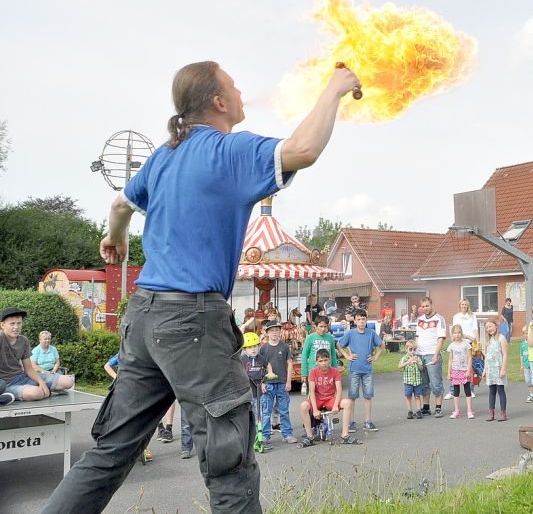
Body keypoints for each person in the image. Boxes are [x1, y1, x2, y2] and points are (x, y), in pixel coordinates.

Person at [43, 60, 359, 514]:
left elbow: (119, 205)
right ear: (218, 101)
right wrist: (335, 89)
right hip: (193, 320)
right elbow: (304, 149)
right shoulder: (228, 151)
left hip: (144, 316)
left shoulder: (164, 154)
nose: (241, 89)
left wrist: (115, 238)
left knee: (110, 452)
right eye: (233, 84)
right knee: (230, 467)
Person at [1, 308, 74, 402]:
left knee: (69, 381)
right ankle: (5, 395)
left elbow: (29, 368)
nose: (16, 327)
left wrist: (41, 382)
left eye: (19, 323)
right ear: (2, 325)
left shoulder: (24, 341)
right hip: (5, 384)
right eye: (12, 324)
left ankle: (42, 390)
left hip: (22, 377)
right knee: (35, 393)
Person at [298, 349, 359, 447]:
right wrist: (315, 410)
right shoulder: (313, 372)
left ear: (329, 360)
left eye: (325, 360)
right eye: (321, 361)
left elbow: (339, 390)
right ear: (316, 362)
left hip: (330, 398)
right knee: (303, 406)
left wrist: (335, 406)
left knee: (348, 403)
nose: (323, 363)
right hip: (317, 398)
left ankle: (345, 435)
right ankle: (309, 437)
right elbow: (312, 391)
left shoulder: (335, 371)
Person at [103, 353, 153, 463]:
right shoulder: (122, 353)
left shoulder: (139, 353)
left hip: (138, 391)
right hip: (124, 392)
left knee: (140, 420)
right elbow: (107, 365)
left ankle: (143, 447)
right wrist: (116, 377)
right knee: (123, 421)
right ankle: (121, 449)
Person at [339, 309, 383, 432]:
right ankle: (352, 422)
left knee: (368, 396)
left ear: (366, 319)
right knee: (352, 396)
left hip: (367, 370)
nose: (361, 321)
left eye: (363, 319)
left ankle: (368, 421)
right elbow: (339, 345)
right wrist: (347, 356)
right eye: (358, 319)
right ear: (355, 320)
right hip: (354, 370)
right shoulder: (350, 333)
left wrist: (376, 356)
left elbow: (381, 345)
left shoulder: (371, 333)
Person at [259, 320, 297, 445]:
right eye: (272, 331)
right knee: (266, 411)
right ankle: (265, 435)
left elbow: (290, 364)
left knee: (284, 410)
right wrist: (262, 382)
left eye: (277, 330)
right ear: (267, 333)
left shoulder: (284, 347)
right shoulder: (263, 348)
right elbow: (261, 367)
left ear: (280, 332)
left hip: (282, 382)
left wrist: (289, 381)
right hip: (268, 384)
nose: (275, 333)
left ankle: (287, 434)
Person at [416, 297, 447, 418]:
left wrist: (436, 354)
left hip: (432, 354)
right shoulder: (420, 320)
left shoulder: (439, 319)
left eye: (427, 306)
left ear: (431, 305)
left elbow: (441, 338)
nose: (425, 308)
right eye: (423, 306)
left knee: (435, 382)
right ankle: (426, 407)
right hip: (420, 354)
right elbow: (417, 336)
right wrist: (414, 353)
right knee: (423, 382)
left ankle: (438, 408)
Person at [240, 332, 270, 452]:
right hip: (247, 392)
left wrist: (270, 374)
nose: (253, 349)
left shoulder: (261, 358)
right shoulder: (242, 359)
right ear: (245, 349)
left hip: (259, 390)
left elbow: (268, 366)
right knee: (248, 416)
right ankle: (248, 439)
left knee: (260, 415)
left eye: (255, 346)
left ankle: (260, 438)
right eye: (250, 347)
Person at [300, 316, 339, 396]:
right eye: (321, 326)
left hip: (328, 371)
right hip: (313, 371)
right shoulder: (310, 338)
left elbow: (333, 356)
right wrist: (304, 373)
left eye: (325, 326)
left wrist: (335, 370)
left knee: (328, 394)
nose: (323, 329)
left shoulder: (330, 338)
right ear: (315, 326)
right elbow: (304, 356)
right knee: (313, 395)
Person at [445, 325, 474, 419]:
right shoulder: (451, 346)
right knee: (456, 391)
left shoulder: (466, 344)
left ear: (461, 333)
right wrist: (449, 372)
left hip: (465, 370)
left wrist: (469, 370)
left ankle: (469, 410)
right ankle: (457, 410)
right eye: (455, 333)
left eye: (459, 333)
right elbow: (450, 360)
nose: (457, 335)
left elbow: (470, 357)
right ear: (452, 334)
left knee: (467, 390)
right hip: (455, 370)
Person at [482, 320, 508, 421]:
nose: (489, 329)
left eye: (490, 326)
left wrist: (503, 369)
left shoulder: (501, 338)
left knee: (500, 390)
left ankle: (503, 413)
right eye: (487, 327)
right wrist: (485, 370)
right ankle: (491, 413)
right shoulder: (489, 341)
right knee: (491, 391)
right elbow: (487, 357)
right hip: (490, 370)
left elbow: (505, 354)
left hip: (498, 368)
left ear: (496, 326)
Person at [399, 339, 426, 420]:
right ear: (406, 349)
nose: (412, 351)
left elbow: (421, 368)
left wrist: (417, 363)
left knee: (417, 396)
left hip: (417, 382)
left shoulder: (417, 358)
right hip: (408, 382)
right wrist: (408, 362)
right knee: (408, 396)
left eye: (414, 349)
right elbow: (399, 366)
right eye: (410, 349)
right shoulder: (404, 358)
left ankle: (418, 411)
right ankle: (410, 411)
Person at [519, 336, 533, 403]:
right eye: (525, 334)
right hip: (526, 365)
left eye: (528, 334)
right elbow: (521, 355)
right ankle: (532, 395)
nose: (527, 335)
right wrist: (521, 365)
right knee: (528, 380)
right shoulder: (522, 344)